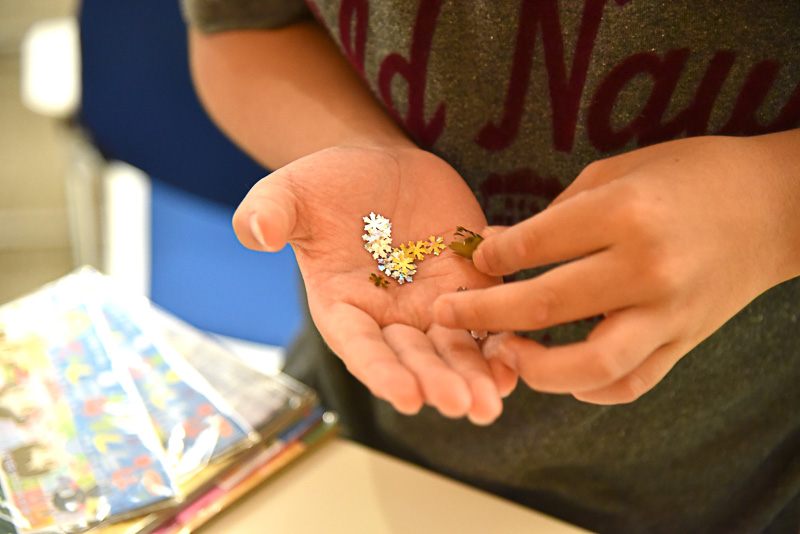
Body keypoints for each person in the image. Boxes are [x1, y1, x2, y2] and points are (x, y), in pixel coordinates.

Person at [181, 1, 800, 532]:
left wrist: (772, 209)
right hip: (352, 426)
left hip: (738, 481)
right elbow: (244, 26)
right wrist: (361, 146)